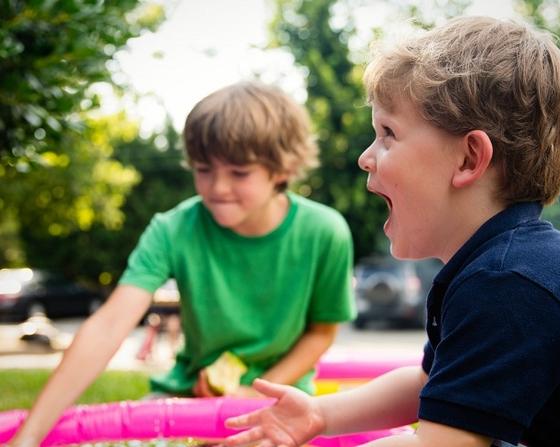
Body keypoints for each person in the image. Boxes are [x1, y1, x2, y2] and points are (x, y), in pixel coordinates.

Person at [222, 16, 560, 447]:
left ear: (468, 159)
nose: (366, 157)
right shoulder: (501, 265)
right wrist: (318, 414)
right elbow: (429, 382)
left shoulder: (510, 284)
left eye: (388, 134)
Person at [8, 81, 356, 446]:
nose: (217, 187)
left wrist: (254, 392)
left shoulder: (325, 232)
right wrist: (29, 437)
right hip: (188, 394)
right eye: (203, 169)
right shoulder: (173, 229)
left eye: (239, 173)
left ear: (282, 169)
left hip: (281, 397)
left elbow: (321, 331)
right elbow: (109, 325)